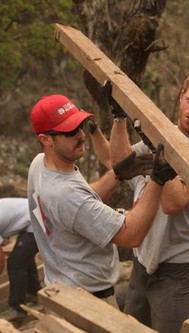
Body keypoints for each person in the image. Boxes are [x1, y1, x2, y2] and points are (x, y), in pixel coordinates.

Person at [27, 94, 176, 308]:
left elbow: (80, 200)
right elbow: (131, 234)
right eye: (70, 132)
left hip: (63, 288)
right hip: (88, 303)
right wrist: (158, 179)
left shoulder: (40, 165)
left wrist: (116, 174)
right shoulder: (66, 196)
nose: (81, 135)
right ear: (46, 139)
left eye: (79, 126)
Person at [109, 68, 189, 333]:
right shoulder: (164, 134)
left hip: (175, 268)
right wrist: (118, 118)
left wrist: (154, 146)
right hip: (143, 259)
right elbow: (118, 164)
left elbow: (173, 203)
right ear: (181, 96)